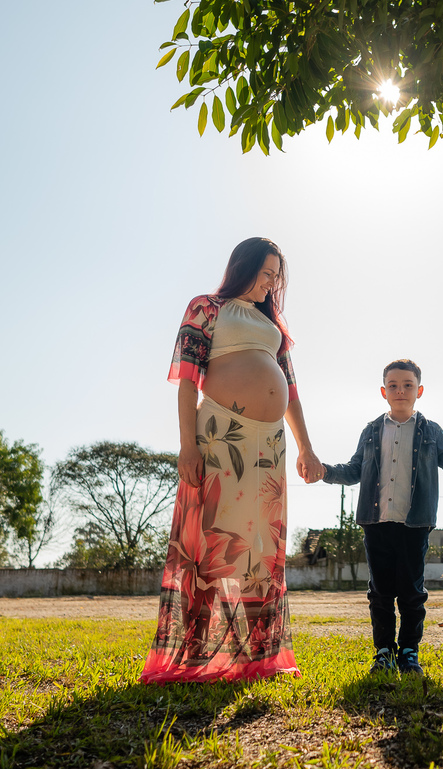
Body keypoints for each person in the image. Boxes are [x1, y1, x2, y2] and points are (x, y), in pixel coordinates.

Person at [141, 237, 323, 684]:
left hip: (269, 444)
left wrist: (306, 447)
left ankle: (258, 655)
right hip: (221, 434)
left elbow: (291, 390)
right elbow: (187, 381)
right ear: (242, 268)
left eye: (276, 276)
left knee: (260, 549)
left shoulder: (273, 325)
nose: (271, 283)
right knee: (212, 544)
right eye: (265, 273)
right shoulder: (206, 307)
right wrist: (187, 445)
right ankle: (195, 652)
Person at [320, 359, 443, 676]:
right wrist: (326, 471)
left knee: (412, 593)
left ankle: (409, 653)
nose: (401, 391)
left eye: (408, 385)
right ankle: (383, 652)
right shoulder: (371, 431)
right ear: (384, 391)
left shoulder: (431, 432)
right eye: (394, 385)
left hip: (415, 525)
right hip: (376, 523)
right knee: (380, 593)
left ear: (420, 390)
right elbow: (354, 469)